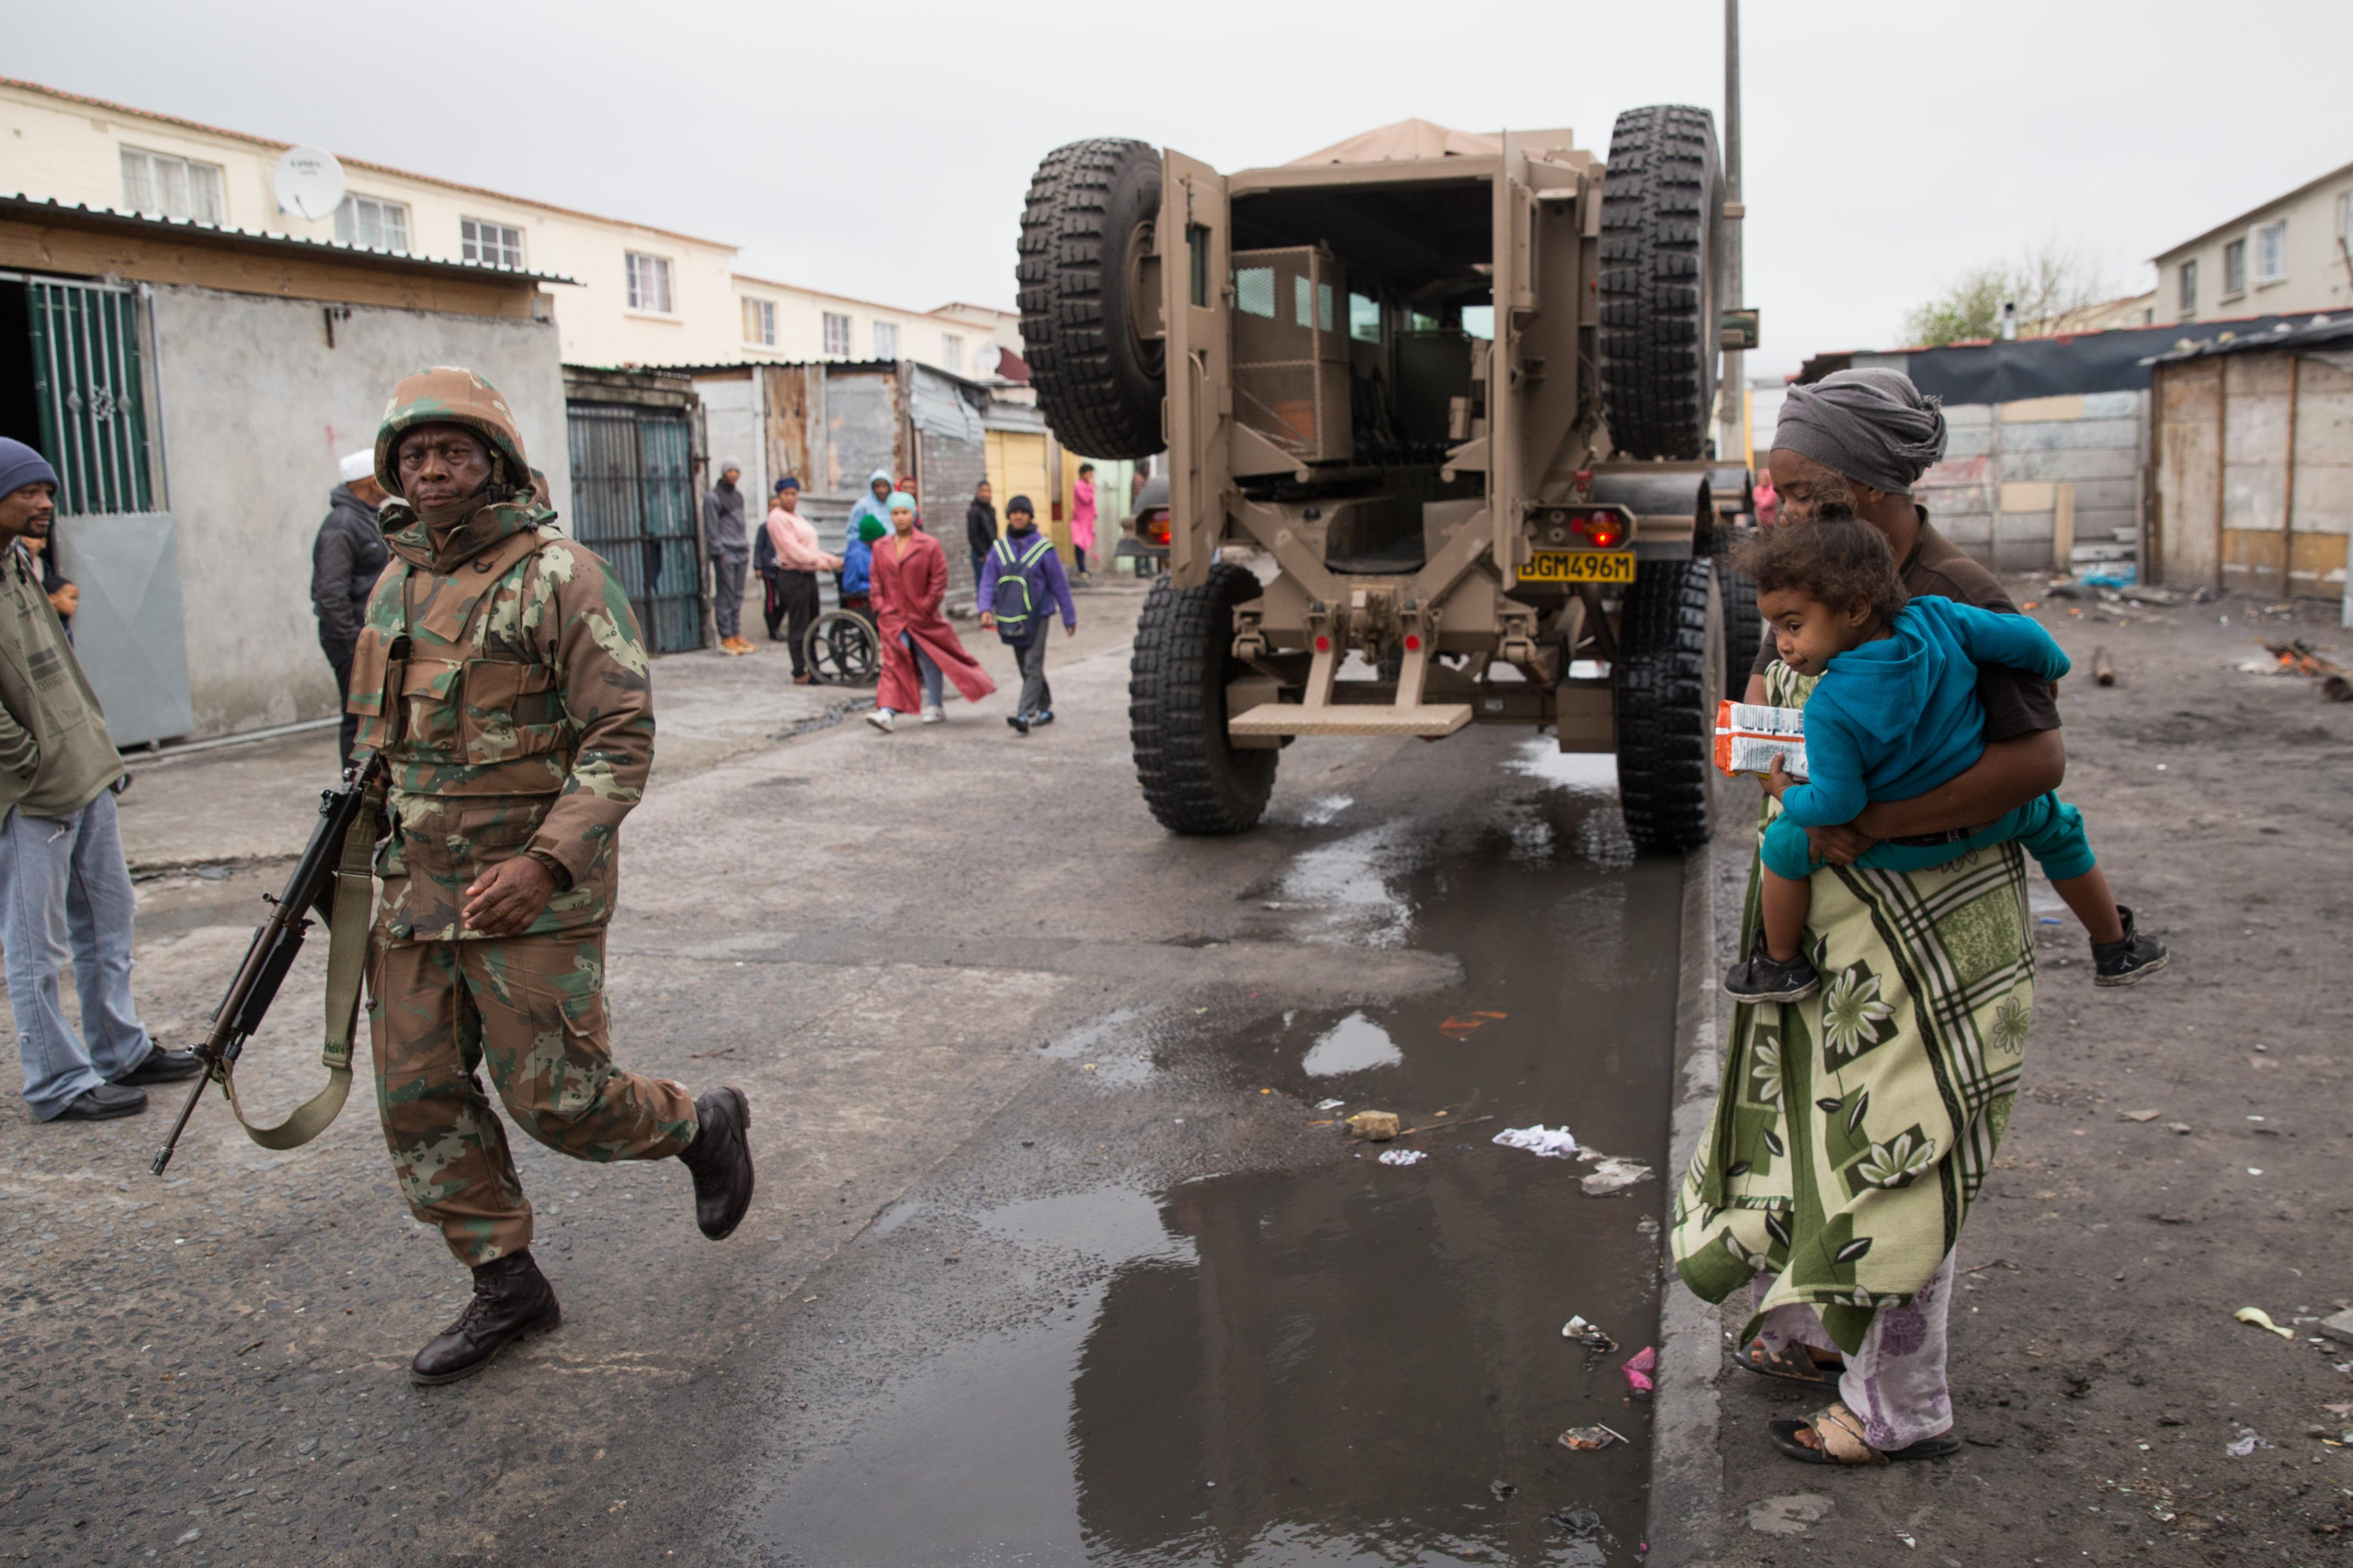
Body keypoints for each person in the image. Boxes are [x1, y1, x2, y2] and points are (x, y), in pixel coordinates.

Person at [1672, 366, 2123, 1468]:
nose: (1781, 507)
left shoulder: (1954, 595)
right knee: (1822, 1131)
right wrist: (1765, 755)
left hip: (1928, 929)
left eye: (1801, 488)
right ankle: (1822, 1327)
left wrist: (1864, 821)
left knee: (1899, 1156)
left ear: (1872, 485)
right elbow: (1765, 714)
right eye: (1776, 489)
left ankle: (1900, 1404)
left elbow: (2036, 760)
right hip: (1828, 923)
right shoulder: (1814, 573)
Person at [343, 368, 754, 1386]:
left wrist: (546, 860)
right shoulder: (395, 584)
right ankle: (506, 1283)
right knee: (418, 1096)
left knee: (560, 1099)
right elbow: (376, 746)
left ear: (495, 462)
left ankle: (700, 1125)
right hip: (413, 891)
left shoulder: (562, 576)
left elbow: (620, 735)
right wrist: (347, 861)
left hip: (530, 889)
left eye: (453, 452)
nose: (431, 472)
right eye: (413, 456)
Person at [1722, 517, 2162, 1003]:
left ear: (1856, 608)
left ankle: (1780, 965)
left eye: (1792, 626)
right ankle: (2115, 947)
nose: (1782, 645)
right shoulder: (1941, 619)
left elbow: (1838, 806)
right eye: (1776, 628)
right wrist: (2049, 675)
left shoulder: (1829, 708)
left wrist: (1786, 793)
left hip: (1899, 843)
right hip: (1991, 818)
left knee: (1783, 844)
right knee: (2059, 825)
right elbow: (2034, 642)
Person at [0, 437, 200, 1122]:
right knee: (36, 947)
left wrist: (92, 748)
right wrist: (31, 762)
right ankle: (56, 1083)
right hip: (30, 794)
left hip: (84, 772)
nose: (45, 504)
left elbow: (58, 664)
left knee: (108, 924)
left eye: (48, 491)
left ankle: (119, 1049)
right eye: (29, 491)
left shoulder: (20, 561)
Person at [863, 492, 994, 733]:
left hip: (922, 616)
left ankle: (935, 705)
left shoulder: (929, 545)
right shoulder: (881, 547)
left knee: (929, 658)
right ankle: (887, 711)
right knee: (893, 659)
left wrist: (927, 605)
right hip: (893, 616)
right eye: (895, 513)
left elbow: (938, 578)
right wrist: (880, 606)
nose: (900, 517)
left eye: (904, 512)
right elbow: (876, 580)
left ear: (913, 514)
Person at [312, 449, 391, 766]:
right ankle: (355, 785)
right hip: (353, 642)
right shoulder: (342, 525)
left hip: (371, 639)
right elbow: (330, 594)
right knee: (358, 716)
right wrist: (356, 641)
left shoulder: (369, 518)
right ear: (372, 481)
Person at [977, 494, 1075, 735]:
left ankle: (1024, 714)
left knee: (1032, 664)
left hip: (1039, 615)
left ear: (1030, 516)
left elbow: (1059, 584)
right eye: (1014, 512)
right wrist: (985, 609)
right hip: (1011, 616)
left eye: (1023, 512)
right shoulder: (999, 549)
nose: (1018, 516)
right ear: (1008, 516)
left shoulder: (1044, 548)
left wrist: (1069, 616)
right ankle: (1045, 708)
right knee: (1026, 667)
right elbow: (988, 581)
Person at [763, 478, 838, 685]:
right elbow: (792, 549)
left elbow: (808, 548)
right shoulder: (777, 518)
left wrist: (830, 559)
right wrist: (818, 562)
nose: (790, 498)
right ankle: (799, 671)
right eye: (786, 494)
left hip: (807, 575)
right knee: (799, 625)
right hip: (792, 575)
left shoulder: (797, 517)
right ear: (779, 496)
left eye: (793, 494)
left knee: (812, 624)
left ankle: (814, 668)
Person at [706, 459, 754, 655]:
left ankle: (736, 633)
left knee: (738, 595)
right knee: (726, 594)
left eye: (736, 470)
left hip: (741, 551)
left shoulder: (738, 496)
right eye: (730, 470)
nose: (734, 474)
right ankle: (726, 636)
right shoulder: (713, 497)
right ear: (723, 472)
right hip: (726, 553)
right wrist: (718, 551)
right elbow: (711, 528)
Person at [846, 468, 894, 551]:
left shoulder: (894, 502)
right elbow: (852, 532)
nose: (881, 490)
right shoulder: (863, 505)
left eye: (884, 486)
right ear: (872, 488)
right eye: (878, 486)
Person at [965, 479, 999, 590]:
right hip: (980, 555)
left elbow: (994, 532)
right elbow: (972, 537)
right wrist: (984, 554)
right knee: (983, 585)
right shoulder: (974, 512)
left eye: (988, 491)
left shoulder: (991, 510)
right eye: (983, 491)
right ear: (978, 492)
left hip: (992, 552)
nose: (986, 494)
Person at [1070, 462, 1097, 577]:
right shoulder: (1079, 486)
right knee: (1079, 543)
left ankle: (1083, 568)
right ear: (1083, 474)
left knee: (1084, 544)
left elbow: (1092, 502)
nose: (1090, 475)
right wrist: (1090, 487)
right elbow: (1086, 499)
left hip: (1087, 520)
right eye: (1089, 473)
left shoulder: (1089, 486)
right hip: (1079, 519)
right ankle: (1081, 568)